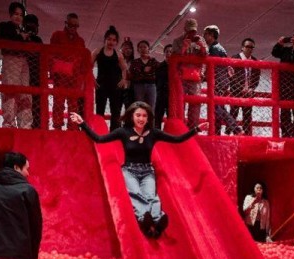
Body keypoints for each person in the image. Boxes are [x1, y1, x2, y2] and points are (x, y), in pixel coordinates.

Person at [70, 102, 209, 238]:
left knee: (152, 197)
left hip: (147, 172)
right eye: (138, 115)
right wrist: (82, 123)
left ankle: (157, 221)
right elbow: (99, 139)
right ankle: (144, 219)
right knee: (135, 194)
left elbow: (177, 139)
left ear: (148, 118)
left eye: (144, 116)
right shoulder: (123, 132)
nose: (141, 118)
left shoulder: (153, 133)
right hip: (129, 171)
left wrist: (196, 129)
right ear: (132, 116)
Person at [0, 2, 32, 129]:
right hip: (11, 59)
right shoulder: (4, 26)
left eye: (21, 15)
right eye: (16, 14)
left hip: (23, 61)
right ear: (11, 14)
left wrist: (23, 37)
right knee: (11, 91)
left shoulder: (22, 30)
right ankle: (9, 123)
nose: (18, 17)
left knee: (25, 92)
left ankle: (25, 125)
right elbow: (6, 40)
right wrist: (20, 38)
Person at [50, 12, 87, 130]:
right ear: (66, 23)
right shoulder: (57, 35)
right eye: (71, 25)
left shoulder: (80, 41)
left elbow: (82, 61)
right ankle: (57, 127)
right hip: (60, 76)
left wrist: (81, 78)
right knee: (58, 103)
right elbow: (51, 54)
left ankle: (72, 127)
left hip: (74, 78)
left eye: (75, 26)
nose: (73, 28)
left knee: (73, 104)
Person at [203, 25, 242, 135]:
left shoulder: (214, 49)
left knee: (216, 108)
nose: (204, 36)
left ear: (211, 35)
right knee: (218, 108)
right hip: (222, 81)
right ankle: (219, 132)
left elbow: (213, 67)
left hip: (218, 82)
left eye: (205, 34)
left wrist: (204, 76)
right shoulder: (219, 47)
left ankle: (235, 128)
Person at [171, 18, 207, 129]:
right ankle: (180, 128)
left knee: (195, 103)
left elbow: (206, 56)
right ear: (185, 30)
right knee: (179, 103)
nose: (192, 34)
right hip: (181, 76)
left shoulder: (200, 40)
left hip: (195, 77)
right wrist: (184, 48)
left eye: (193, 31)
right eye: (189, 31)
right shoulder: (177, 41)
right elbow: (174, 57)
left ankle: (193, 128)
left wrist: (202, 46)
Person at [91, 26, 129, 131]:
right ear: (105, 40)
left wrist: (123, 80)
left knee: (115, 112)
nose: (111, 42)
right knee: (100, 111)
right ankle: (99, 132)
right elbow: (88, 66)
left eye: (113, 40)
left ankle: (114, 133)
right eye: (109, 39)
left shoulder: (118, 54)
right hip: (101, 86)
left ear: (116, 42)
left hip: (115, 87)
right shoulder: (97, 51)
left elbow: (124, 69)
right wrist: (92, 79)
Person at [229, 38, 261, 135]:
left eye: (252, 47)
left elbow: (256, 78)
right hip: (236, 92)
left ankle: (247, 136)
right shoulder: (235, 58)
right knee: (233, 114)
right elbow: (231, 76)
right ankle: (229, 134)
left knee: (247, 116)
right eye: (247, 47)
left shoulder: (255, 61)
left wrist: (251, 88)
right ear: (242, 47)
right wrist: (241, 88)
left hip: (248, 93)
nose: (250, 49)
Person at [23, 14, 43, 129]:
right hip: (24, 75)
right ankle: (27, 126)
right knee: (25, 102)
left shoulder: (38, 40)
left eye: (33, 26)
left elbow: (41, 56)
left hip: (36, 76)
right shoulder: (21, 39)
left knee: (36, 103)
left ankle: (36, 126)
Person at [129, 40, 159, 109]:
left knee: (151, 107)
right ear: (138, 50)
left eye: (145, 47)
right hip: (139, 86)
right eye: (140, 47)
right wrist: (144, 70)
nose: (143, 49)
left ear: (148, 49)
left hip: (151, 85)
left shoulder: (153, 60)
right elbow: (133, 73)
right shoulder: (135, 62)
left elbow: (158, 69)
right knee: (139, 107)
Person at [154, 44, 172, 129]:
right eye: (167, 52)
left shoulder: (177, 67)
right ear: (164, 53)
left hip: (172, 97)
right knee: (158, 117)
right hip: (160, 95)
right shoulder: (159, 66)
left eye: (171, 52)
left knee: (171, 118)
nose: (168, 53)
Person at [118, 37, 135, 113]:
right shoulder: (116, 61)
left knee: (130, 110)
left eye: (130, 48)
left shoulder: (135, 62)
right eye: (125, 48)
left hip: (130, 90)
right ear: (121, 49)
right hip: (118, 89)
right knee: (116, 110)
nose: (128, 50)